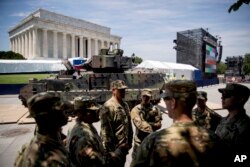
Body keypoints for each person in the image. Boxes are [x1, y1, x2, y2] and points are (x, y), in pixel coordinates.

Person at [132, 80, 225, 167]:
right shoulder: (214, 140)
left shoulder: (153, 142)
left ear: (173, 102)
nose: (164, 101)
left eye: (165, 98)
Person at [66, 96, 128, 167]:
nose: (97, 112)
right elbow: (96, 162)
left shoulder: (84, 125)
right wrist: (119, 152)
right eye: (93, 111)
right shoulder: (83, 136)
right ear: (82, 113)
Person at [14, 92, 71, 167]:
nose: (67, 113)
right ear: (51, 117)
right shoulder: (52, 161)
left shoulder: (30, 145)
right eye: (62, 110)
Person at [100, 80, 133, 167]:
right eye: (120, 90)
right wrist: (110, 153)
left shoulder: (125, 105)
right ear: (113, 90)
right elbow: (105, 132)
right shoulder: (108, 107)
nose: (123, 92)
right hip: (114, 150)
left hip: (123, 148)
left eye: (124, 90)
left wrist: (129, 142)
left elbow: (128, 124)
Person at [216, 83, 250, 166]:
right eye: (223, 95)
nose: (222, 97)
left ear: (241, 99)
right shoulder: (223, 120)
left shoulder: (246, 125)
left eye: (227, 95)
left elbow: (244, 157)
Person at [130, 89, 162, 166]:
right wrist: (153, 125)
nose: (145, 98)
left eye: (147, 97)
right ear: (141, 97)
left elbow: (159, 124)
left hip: (151, 142)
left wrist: (148, 124)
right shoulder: (136, 109)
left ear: (150, 98)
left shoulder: (155, 109)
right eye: (144, 96)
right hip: (139, 142)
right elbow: (140, 125)